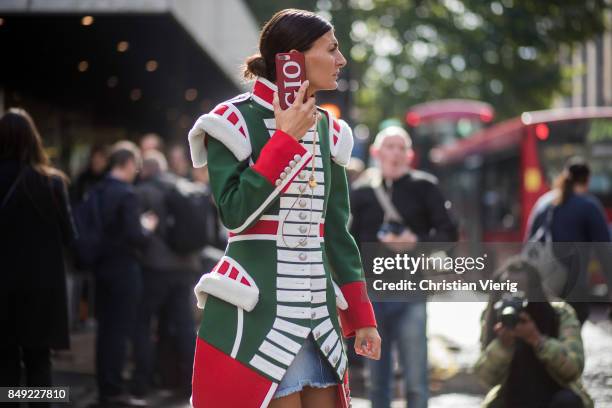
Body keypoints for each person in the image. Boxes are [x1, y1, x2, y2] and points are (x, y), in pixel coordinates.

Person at [187, 9, 381, 408]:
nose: (342, 60)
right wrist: (285, 140)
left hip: (320, 321)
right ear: (294, 57)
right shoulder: (231, 120)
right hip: (259, 318)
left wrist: (362, 317)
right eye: (332, 49)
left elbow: (337, 232)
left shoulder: (329, 128)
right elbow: (234, 213)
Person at [350, 125, 458, 408]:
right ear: (376, 152)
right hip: (372, 296)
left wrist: (416, 242)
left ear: (410, 155)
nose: (395, 153)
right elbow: (348, 243)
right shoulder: (360, 192)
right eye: (390, 146)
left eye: (401, 148)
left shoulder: (426, 186)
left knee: (416, 380)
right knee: (377, 382)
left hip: (412, 293)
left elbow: (449, 234)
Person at [0, 108, 76, 406]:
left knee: (4, 364)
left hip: (2, 289)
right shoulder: (52, 183)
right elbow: (70, 237)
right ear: (33, 140)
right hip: (41, 291)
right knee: (39, 363)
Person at [474, 256, 593, 408]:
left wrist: (537, 340)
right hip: (512, 398)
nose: (514, 296)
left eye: (520, 290)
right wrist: (503, 346)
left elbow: (574, 369)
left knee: (568, 402)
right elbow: (485, 379)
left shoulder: (559, 314)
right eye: (508, 290)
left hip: (553, 396)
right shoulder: (493, 317)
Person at [91, 141, 157, 407]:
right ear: (128, 164)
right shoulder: (127, 194)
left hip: (101, 268)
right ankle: (115, 390)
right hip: (124, 271)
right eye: (136, 165)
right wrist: (148, 227)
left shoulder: (97, 190)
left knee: (104, 330)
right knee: (119, 331)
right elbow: (135, 236)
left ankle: (104, 386)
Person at [131, 150, 201, 401]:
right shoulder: (184, 187)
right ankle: (189, 382)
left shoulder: (143, 192)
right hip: (186, 267)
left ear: (146, 170)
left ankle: (143, 382)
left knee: (143, 323)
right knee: (183, 326)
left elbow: (136, 231)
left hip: (156, 269)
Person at [526, 157, 611, 324]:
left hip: (540, 290)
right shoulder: (589, 206)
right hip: (573, 293)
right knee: (570, 342)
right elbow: (606, 254)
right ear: (587, 180)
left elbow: (528, 245)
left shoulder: (543, 203)